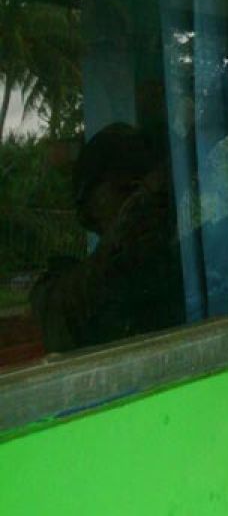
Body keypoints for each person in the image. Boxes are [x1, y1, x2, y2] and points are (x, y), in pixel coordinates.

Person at [31, 123, 185, 352]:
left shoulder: (179, 265)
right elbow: (60, 316)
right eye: (127, 188)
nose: (140, 204)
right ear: (89, 207)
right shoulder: (58, 292)